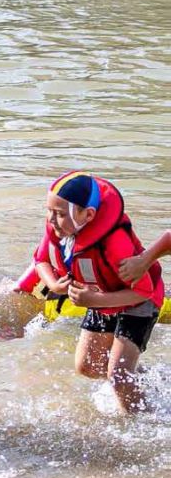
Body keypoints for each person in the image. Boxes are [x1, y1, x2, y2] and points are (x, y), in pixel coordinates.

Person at [28, 172, 164, 413]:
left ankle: (142, 424)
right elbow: (40, 260)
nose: (52, 220)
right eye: (49, 211)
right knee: (87, 366)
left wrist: (94, 299)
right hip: (101, 298)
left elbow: (143, 291)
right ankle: (150, 380)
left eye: (60, 214)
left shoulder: (114, 242)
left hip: (138, 301)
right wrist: (55, 284)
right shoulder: (59, 232)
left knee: (119, 376)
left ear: (88, 215)